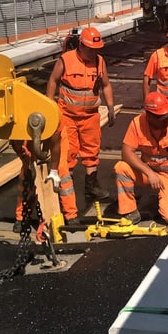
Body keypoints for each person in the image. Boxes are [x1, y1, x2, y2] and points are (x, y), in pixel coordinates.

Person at [46, 26, 115, 203]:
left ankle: (91, 186)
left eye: (96, 50)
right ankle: (65, 188)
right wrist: (49, 105)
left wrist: (111, 107)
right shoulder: (66, 60)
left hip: (90, 116)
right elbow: (53, 80)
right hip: (67, 116)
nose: (93, 53)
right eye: (91, 49)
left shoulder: (99, 62)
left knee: (91, 151)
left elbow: (106, 85)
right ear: (81, 46)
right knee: (68, 153)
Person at [114, 92, 168, 225]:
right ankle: (130, 211)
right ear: (149, 115)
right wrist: (149, 173)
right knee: (121, 168)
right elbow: (126, 153)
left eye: (166, 115)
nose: (166, 119)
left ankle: (157, 201)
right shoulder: (137, 124)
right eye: (161, 117)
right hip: (149, 172)